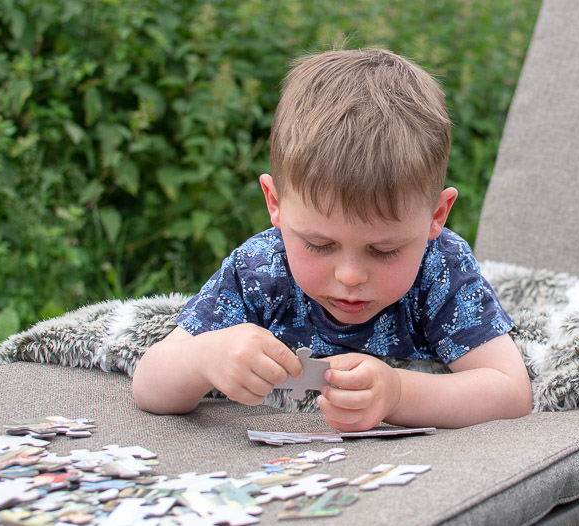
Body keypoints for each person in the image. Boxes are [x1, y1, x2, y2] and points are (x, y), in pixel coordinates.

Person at [132, 48, 532, 432]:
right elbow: (149, 385)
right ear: (275, 204)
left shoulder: (440, 267)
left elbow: (511, 391)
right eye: (319, 245)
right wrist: (204, 358)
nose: (351, 275)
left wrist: (397, 394)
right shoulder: (259, 269)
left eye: (384, 250)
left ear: (436, 217)